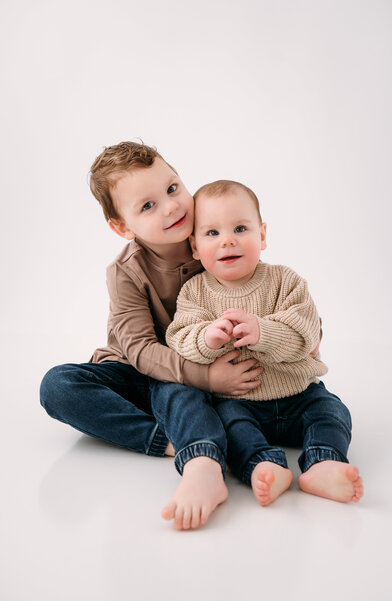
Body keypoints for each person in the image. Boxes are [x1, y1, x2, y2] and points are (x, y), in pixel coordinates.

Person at [40, 142, 265, 530]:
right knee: (58, 386)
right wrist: (206, 378)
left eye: (173, 188)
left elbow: (271, 291)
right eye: (148, 206)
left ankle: (202, 442)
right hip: (139, 372)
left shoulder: (217, 239)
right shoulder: (126, 271)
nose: (172, 206)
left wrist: (300, 336)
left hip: (203, 369)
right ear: (122, 227)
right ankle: (178, 443)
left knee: (184, 391)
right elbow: (142, 351)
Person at [166, 179, 364, 506]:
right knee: (229, 427)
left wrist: (262, 331)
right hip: (239, 401)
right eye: (212, 233)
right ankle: (263, 465)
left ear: (262, 235)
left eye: (240, 228)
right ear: (194, 247)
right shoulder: (194, 291)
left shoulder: (285, 281)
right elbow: (179, 337)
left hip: (299, 394)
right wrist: (206, 337)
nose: (227, 240)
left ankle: (323, 462)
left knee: (331, 412)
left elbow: (306, 332)